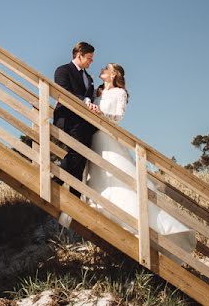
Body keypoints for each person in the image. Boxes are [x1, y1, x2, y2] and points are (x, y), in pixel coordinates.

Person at [82, 63, 196, 254]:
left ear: (114, 74)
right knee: (98, 175)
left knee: (120, 176)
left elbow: (118, 117)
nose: (102, 69)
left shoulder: (120, 93)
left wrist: (101, 113)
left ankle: (141, 224)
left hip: (108, 135)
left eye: (106, 68)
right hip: (94, 136)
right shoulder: (97, 92)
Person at [53, 41, 100, 200]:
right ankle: (55, 182)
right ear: (79, 55)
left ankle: (75, 197)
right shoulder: (63, 70)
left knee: (82, 159)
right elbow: (64, 92)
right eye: (89, 58)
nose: (91, 61)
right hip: (68, 118)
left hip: (84, 123)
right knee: (75, 153)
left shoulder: (89, 78)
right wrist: (86, 102)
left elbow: (90, 95)